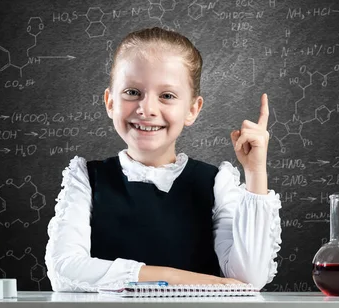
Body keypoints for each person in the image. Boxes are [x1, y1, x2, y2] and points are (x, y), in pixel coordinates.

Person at [45, 27, 282, 292]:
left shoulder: (217, 183)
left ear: (192, 109)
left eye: (167, 96)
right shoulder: (86, 179)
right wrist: (175, 277)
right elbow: (65, 271)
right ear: (110, 102)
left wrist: (255, 173)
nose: (147, 108)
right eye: (132, 92)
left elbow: (249, 279)